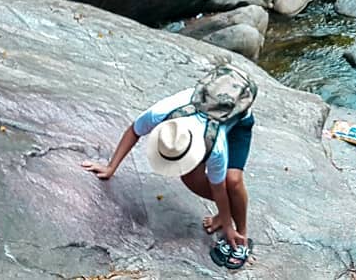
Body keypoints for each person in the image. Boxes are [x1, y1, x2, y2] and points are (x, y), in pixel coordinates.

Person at [82, 82, 256, 270]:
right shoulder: (161, 114)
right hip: (203, 127)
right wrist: (110, 168)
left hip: (237, 122)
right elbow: (134, 131)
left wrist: (229, 227)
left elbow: (219, 186)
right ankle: (226, 214)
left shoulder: (216, 147)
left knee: (233, 181)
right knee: (190, 179)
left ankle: (241, 236)